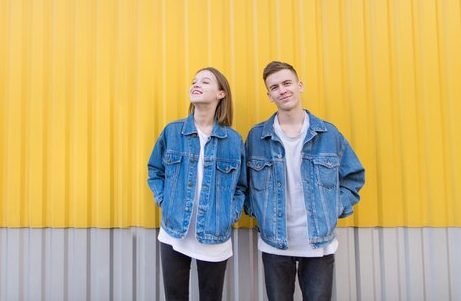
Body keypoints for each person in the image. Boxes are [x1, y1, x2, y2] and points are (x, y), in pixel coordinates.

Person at [244, 61, 365, 301]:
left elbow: (353, 177)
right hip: (274, 243)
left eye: (287, 83)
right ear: (269, 95)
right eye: (275, 87)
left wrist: (334, 208)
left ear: (300, 85)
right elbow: (243, 183)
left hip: (318, 242)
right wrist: (257, 210)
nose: (283, 90)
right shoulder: (257, 136)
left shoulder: (329, 134)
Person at [147, 67, 247, 301]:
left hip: (215, 234)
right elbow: (155, 171)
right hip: (174, 233)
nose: (196, 84)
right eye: (194, 81)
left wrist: (229, 214)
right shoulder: (173, 132)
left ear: (221, 93)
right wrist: (165, 200)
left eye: (205, 81)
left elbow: (241, 186)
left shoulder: (232, 140)